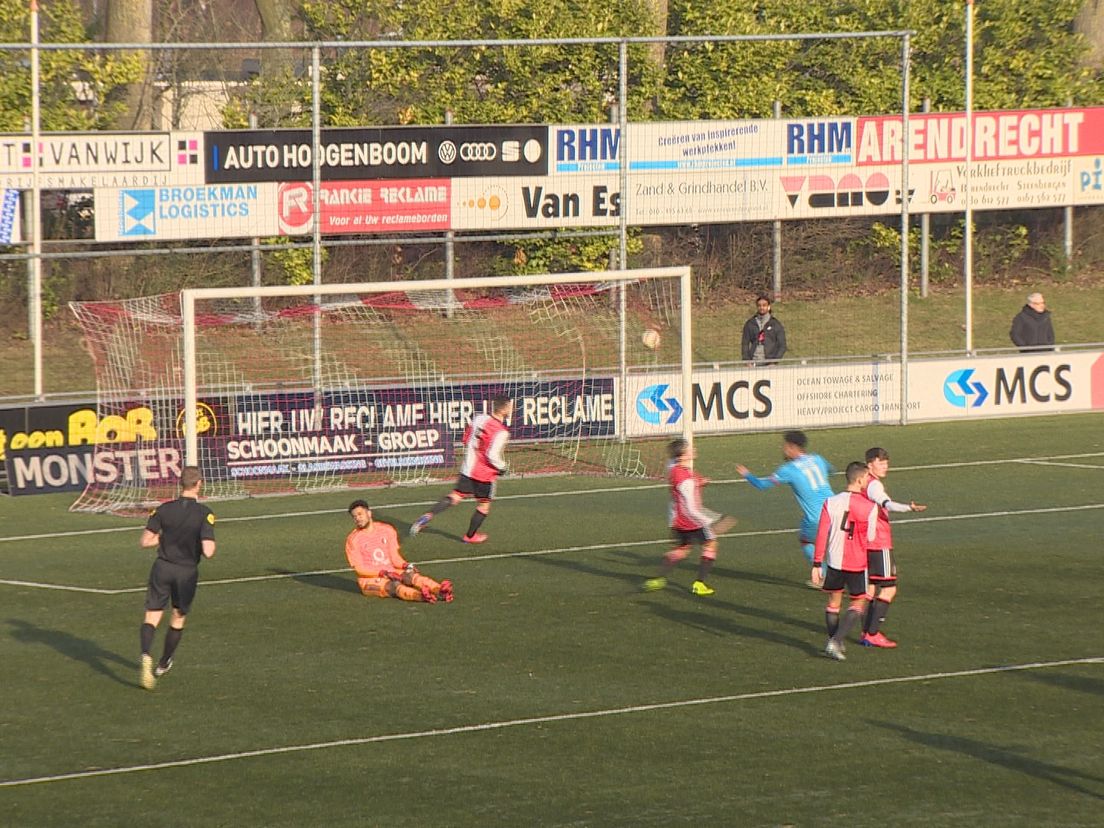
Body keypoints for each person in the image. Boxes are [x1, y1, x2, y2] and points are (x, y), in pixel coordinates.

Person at [137, 465, 216, 690]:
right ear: (199, 484)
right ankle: (163, 663)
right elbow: (209, 552)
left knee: (152, 616)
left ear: (180, 484)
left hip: (162, 567)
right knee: (178, 617)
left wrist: (166, 540)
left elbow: (144, 541)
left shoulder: (163, 509)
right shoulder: (204, 513)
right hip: (186, 572)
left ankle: (145, 654)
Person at [736, 430, 834, 586]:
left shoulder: (788, 469)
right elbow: (831, 470)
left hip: (817, 517)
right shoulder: (818, 459)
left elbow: (761, 485)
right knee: (843, 545)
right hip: (838, 510)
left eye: (784, 446)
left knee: (805, 540)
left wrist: (747, 474)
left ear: (791, 447)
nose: (783, 449)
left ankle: (824, 577)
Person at [410, 396, 513, 544]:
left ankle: (428, 515)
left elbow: (466, 438)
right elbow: (492, 455)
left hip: (468, 467)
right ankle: (470, 536)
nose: (511, 409)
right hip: (484, 475)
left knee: (455, 496)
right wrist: (503, 468)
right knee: (484, 506)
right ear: (503, 409)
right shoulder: (502, 432)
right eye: (510, 406)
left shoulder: (479, 419)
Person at [643, 438, 736, 596]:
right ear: (682, 455)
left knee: (682, 550)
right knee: (711, 545)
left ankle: (658, 578)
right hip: (690, 521)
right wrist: (713, 521)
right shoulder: (686, 480)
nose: (693, 450)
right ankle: (699, 584)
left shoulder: (674, 469)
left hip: (677, 521)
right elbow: (692, 508)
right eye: (689, 449)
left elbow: (683, 482)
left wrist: (699, 481)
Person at [861, 447, 927, 649]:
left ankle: (866, 631)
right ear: (870, 463)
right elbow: (886, 504)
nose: (886, 467)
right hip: (879, 543)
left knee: (871, 588)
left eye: (887, 463)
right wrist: (909, 507)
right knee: (889, 588)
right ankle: (872, 633)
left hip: (865, 541)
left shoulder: (863, 482)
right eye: (881, 463)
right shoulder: (874, 486)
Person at [811, 461, 878, 661]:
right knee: (858, 602)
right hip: (857, 563)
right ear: (859, 480)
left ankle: (833, 642)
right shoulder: (870, 507)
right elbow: (871, 538)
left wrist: (816, 563)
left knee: (833, 602)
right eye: (867, 477)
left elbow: (822, 533)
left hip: (834, 561)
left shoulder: (830, 502)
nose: (868, 480)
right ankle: (836, 642)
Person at [345, 500, 452, 603]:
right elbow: (360, 569)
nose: (358, 519)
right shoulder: (353, 540)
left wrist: (406, 565)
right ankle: (421, 596)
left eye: (360, 514)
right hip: (370, 580)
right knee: (395, 586)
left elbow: (395, 558)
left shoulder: (387, 530)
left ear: (369, 513)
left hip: (391, 571)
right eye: (355, 517)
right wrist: (383, 573)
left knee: (412, 576)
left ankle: (440, 590)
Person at [741, 293, 787, 365]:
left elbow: (782, 345)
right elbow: (745, 344)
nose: (761, 307)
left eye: (764, 305)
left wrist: (774, 362)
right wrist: (747, 361)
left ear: (769, 307)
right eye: (759, 305)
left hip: (769, 363)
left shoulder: (775, 324)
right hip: (754, 362)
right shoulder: (750, 323)